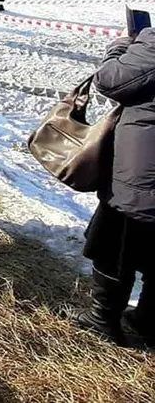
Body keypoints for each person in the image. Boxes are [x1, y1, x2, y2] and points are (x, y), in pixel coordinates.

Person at [73, 25, 155, 347]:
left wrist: (122, 45)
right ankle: (147, 321)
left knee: (116, 244)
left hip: (142, 175)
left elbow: (110, 80)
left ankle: (102, 319)